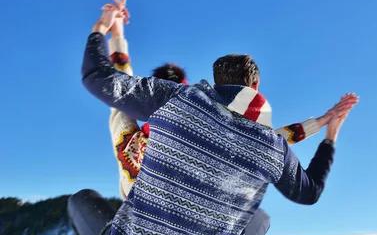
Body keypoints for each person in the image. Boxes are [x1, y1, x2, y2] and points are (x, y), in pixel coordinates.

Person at [68, 0, 359, 235]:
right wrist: (327, 131)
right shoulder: (246, 140)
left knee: (82, 201)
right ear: (254, 87)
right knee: (259, 216)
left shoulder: (157, 113)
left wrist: (107, 27)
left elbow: (114, 81)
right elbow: (277, 144)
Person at [107, 12, 358, 201]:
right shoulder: (199, 135)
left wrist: (116, 32)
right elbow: (265, 142)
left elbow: (119, 86)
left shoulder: (131, 143)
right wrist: (322, 123)